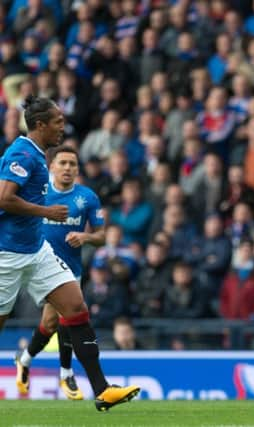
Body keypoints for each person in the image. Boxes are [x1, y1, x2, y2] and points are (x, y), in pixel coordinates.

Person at [0, 95, 139, 411]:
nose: (63, 127)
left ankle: (102, 391)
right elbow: (4, 198)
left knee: (75, 307)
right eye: (58, 122)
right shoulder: (22, 153)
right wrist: (44, 210)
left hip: (36, 251)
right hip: (6, 256)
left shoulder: (37, 155)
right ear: (40, 125)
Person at [16, 146, 106, 400]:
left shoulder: (87, 198)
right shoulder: (38, 192)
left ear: (78, 170)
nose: (67, 168)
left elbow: (102, 237)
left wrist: (86, 236)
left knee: (51, 323)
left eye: (72, 164)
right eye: (63, 163)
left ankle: (24, 359)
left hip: (71, 268)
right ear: (52, 167)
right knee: (67, 315)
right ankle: (66, 373)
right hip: (39, 266)